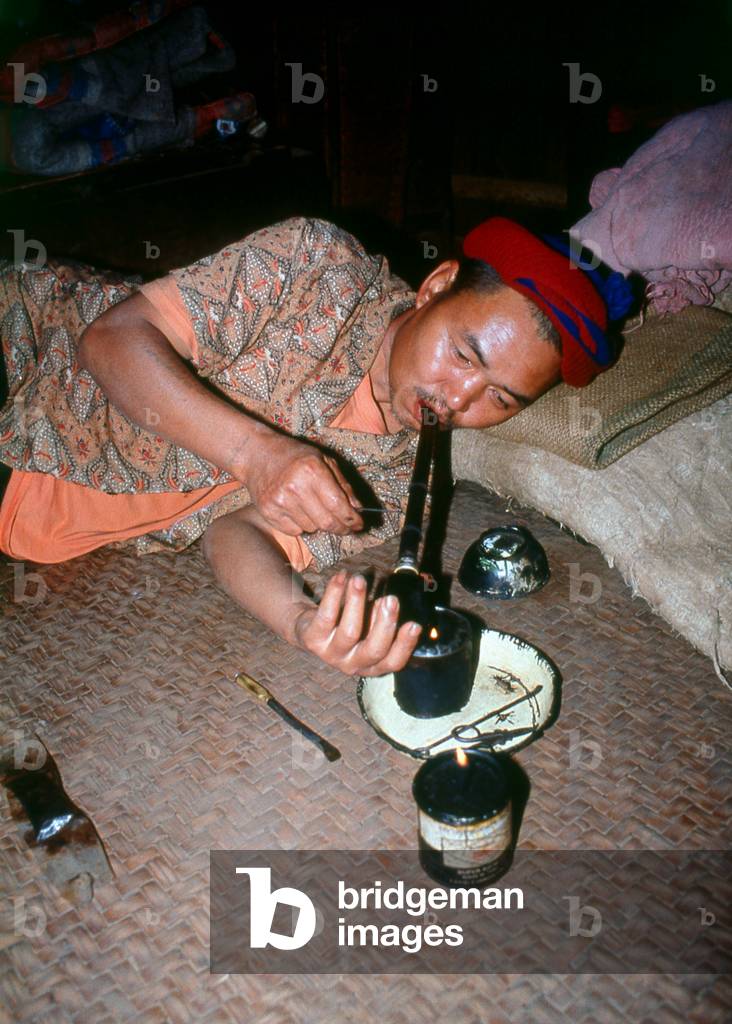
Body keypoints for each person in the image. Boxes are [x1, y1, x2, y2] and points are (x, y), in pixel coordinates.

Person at [0, 215, 621, 676]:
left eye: (501, 399)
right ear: (435, 286)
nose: (459, 399)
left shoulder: (402, 488)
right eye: (463, 354)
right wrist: (257, 454)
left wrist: (299, 622)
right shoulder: (317, 265)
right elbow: (110, 340)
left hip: (29, 518)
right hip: (24, 366)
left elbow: (235, 534)